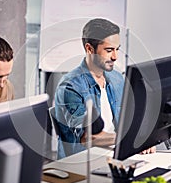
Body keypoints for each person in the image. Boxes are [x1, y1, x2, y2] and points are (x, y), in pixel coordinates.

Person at [54, 18, 155, 159]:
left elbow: (131, 119)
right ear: (89, 49)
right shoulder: (70, 86)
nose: (115, 57)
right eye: (109, 50)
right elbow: (87, 137)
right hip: (84, 163)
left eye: (117, 49)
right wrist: (130, 139)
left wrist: (144, 139)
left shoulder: (117, 79)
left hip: (117, 155)